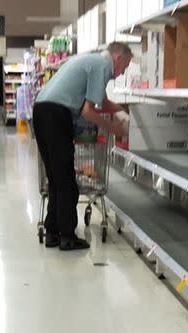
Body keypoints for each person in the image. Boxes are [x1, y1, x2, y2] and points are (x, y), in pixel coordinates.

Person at [33, 42, 132, 251]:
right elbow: (88, 111)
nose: (123, 72)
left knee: (56, 179)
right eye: (125, 66)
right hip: (56, 115)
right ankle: (68, 237)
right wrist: (113, 128)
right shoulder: (102, 66)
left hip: (41, 110)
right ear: (118, 57)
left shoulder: (93, 61)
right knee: (67, 181)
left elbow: (102, 103)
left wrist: (125, 112)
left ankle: (52, 233)